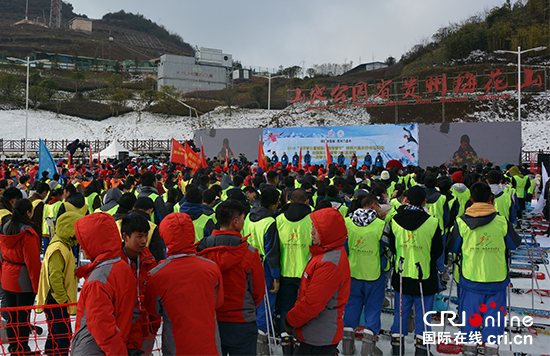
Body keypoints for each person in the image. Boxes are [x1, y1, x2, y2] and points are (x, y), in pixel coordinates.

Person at [448, 182, 521, 356]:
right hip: (497, 279)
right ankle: (491, 349)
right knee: (494, 319)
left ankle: (469, 349)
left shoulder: (461, 222)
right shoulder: (502, 221)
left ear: (471, 199)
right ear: (491, 199)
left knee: (470, 317)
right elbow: (513, 244)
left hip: (470, 279)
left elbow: (453, 248)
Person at [145, 212, 223, 355]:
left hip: (177, 346)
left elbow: (153, 309)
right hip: (209, 345)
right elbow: (218, 302)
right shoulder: (211, 267)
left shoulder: (157, 274)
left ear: (165, 236)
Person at [197, 200, 265, 356]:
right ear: (235, 222)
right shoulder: (249, 253)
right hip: (240, 321)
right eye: (242, 218)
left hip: (210, 319)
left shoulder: (201, 249)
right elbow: (258, 291)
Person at [283, 207, 350, 356]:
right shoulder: (326, 252)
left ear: (328, 232)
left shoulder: (329, 263)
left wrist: (290, 320)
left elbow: (313, 303)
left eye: (317, 229)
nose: (312, 232)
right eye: (312, 227)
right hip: (315, 331)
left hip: (319, 336)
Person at [71, 213, 136, 355]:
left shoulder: (98, 279)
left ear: (93, 242)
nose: (82, 248)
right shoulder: (123, 266)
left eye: (84, 243)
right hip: (115, 346)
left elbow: (101, 326)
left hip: (95, 349)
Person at [388, 186, 443, 356]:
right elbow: (438, 250)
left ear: (406, 200)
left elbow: (392, 247)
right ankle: (422, 349)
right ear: (424, 202)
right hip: (424, 276)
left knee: (401, 313)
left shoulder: (395, 221)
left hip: (402, 273)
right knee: (424, 315)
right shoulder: (432, 222)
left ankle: (398, 347)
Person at [342, 193, 390, 356]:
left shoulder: (347, 222)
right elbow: (387, 246)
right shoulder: (380, 225)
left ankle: (347, 347)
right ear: (373, 205)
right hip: (374, 274)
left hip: (353, 271)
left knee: (351, 307)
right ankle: (368, 348)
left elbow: (344, 247)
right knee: (373, 309)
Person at [36, 212, 82, 356]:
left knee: (54, 334)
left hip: (56, 301)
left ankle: (49, 353)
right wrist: (62, 300)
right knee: (63, 338)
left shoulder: (63, 244)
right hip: (55, 301)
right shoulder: (58, 248)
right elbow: (54, 277)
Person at [0, 199, 42, 355]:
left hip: (7, 277)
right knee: (23, 317)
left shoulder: (4, 228)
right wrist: (37, 286)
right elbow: (33, 263)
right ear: (28, 213)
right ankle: (22, 348)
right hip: (22, 280)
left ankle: (13, 347)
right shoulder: (28, 233)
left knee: (11, 317)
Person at [242, 187, 281, 352]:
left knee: (251, 302)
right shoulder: (270, 222)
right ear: (273, 205)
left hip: (247, 263)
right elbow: (272, 252)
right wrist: (276, 277)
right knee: (265, 305)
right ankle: (261, 344)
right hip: (264, 267)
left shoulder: (248, 218)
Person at [276, 189, 313, 355]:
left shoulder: (279, 220)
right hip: (306, 273)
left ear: (289, 201)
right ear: (307, 202)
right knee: (305, 309)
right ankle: (301, 342)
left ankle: (286, 343)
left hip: (285, 271)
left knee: (286, 307)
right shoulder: (312, 220)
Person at [119, 213, 159, 355]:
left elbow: (154, 293)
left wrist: (155, 324)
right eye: (139, 236)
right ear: (125, 237)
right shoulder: (116, 263)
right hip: (123, 326)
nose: (144, 241)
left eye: (146, 236)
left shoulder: (149, 260)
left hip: (146, 325)